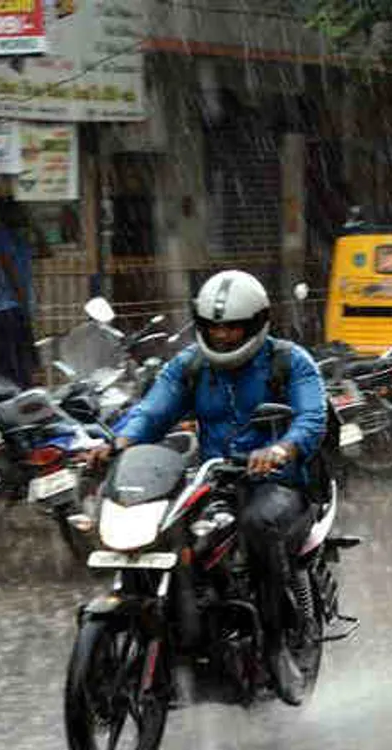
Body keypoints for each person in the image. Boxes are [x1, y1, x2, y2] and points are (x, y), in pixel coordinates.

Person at [95, 270, 327, 705]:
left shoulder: (291, 362)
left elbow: (312, 419)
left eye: (232, 327)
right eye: (213, 326)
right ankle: (181, 636)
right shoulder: (190, 366)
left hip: (279, 484)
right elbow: (151, 411)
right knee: (168, 529)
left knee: (258, 525)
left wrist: (282, 449)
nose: (221, 335)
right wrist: (120, 440)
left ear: (257, 323)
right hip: (216, 478)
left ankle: (276, 646)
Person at [0, 196, 38, 388]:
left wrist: (33, 226)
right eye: (18, 212)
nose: (22, 215)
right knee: (15, 362)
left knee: (23, 359)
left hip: (16, 306)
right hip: (8, 306)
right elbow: (9, 268)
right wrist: (22, 297)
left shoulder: (19, 237)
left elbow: (45, 251)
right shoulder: (2, 236)